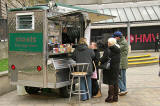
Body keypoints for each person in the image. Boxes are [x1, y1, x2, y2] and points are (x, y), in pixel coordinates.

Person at [100, 38, 120, 103]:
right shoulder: (118, 49)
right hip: (116, 68)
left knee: (111, 83)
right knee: (115, 82)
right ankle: (115, 97)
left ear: (110, 43)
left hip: (110, 68)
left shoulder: (108, 50)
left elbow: (104, 59)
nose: (107, 43)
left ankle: (110, 98)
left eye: (108, 42)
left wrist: (99, 60)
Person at [112, 31, 128, 96]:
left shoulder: (123, 42)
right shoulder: (120, 42)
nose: (114, 38)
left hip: (122, 63)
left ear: (118, 37)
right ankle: (123, 90)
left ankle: (123, 89)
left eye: (115, 37)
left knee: (119, 77)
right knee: (122, 77)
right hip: (121, 62)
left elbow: (117, 49)